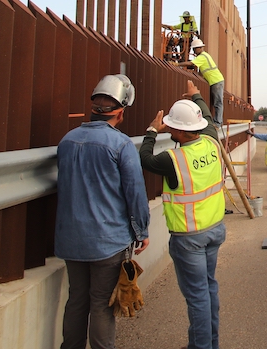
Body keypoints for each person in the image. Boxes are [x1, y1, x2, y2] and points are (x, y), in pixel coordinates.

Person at [55, 74, 150, 349]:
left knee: (77, 300)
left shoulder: (67, 141)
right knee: (101, 303)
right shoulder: (121, 145)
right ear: (120, 113)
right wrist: (141, 230)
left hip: (70, 239)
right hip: (107, 241)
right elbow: (135, 193)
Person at [140, 86, 226, 349]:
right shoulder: (211, 140)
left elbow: (145, 159)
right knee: (209, 289)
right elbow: (210, 119)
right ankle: (210, 343)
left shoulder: (173, 159)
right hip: (215, 229)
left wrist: (153, 130)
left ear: (176, 131)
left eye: (171, 127)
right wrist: (196, 93)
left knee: (197, 296)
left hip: (189, 237)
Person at [178, 38, 225, 125]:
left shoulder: (202, 57)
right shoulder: (204, 56)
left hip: (216, 80)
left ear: (200, 48)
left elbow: (191, 64)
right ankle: (217, 121)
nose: (194, 51)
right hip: (215, 81)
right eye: (193, 49)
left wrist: (178, 64)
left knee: (218, 103)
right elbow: (197, 69)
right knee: (216, 103)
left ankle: (218, 123)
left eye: (195, 49)